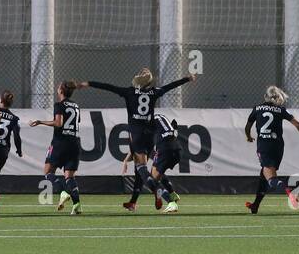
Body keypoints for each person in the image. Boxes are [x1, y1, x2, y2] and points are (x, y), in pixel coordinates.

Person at [76, 68, 194, 211]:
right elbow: (169, 87)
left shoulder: (129, 92)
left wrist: (88, 83)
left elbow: (108, 87)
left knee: (141, 168)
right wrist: (187, 79)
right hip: (150, 135)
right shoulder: (154, 92)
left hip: (136, 134)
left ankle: (163, 195)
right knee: (141, 170)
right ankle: (134, 202)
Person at [244, 85, 299, 213]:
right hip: (278, 146)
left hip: (264, 146)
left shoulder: (257, 109)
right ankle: (255, 205)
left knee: (271, 180)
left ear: (266, 96)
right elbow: (297, 124)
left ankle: (291, 190)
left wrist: (248, 136)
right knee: (264, 176)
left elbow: (248, 126)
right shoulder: (280, 109)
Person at [30, 81, 83, 215]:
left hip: (60, 142)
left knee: (48, 172)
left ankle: (63, 192)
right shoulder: (76, 106)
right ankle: (77, 205)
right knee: (70, 177)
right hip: (75, 143)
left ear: (61, 91)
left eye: (58, 87)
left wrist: (40, 121)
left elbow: (59, 123)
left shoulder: (59, 105)